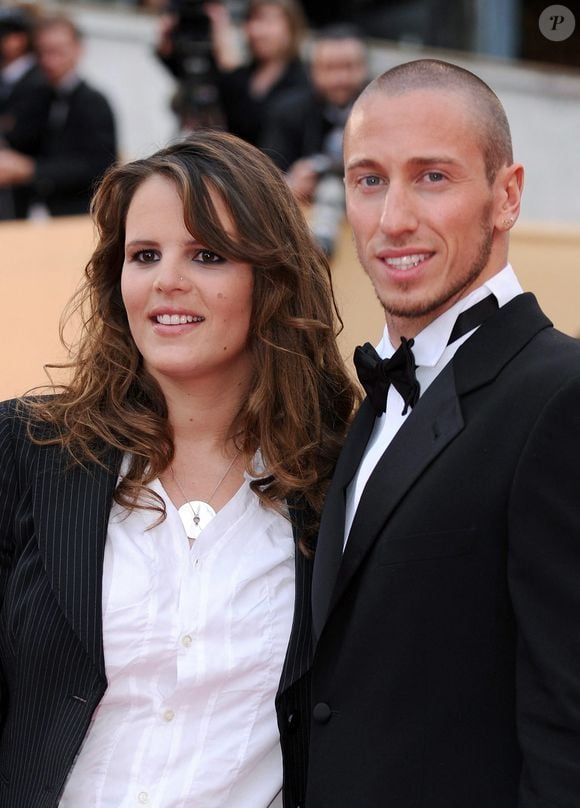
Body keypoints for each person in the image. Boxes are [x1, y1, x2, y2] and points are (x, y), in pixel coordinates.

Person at [0, 130, 358, 806]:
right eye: (144, 255)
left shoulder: (339, 476)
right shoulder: (28, 450)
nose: (167, 279)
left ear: (272, 278)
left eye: (206, 254)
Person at [277, 58, 580, 807]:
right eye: (368, 179)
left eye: (433, 177)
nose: (393, 219)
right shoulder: (370, 403)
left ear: (505, 196)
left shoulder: (562, 397)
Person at [261, 25, 368, 255]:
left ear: (365, 68)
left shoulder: (384, 112)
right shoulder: (287, 110)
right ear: (312, 71)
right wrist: (290, 185)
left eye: (349, 67)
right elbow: (265, 178)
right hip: (302, 238)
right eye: (330, 68)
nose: (340, 78)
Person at [0, 13, 117, 218]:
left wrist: (32, 170)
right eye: (42, 52)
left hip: (75, 214)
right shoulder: (37, 96)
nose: (48, 60)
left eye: (57, 51)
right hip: (34, 211)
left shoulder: (94, 102)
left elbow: (99, 166)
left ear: (78, 50)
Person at [156, 0, 310, 143]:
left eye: (269, 22)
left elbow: (257, 119)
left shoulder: (303, 82)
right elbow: (193, 76)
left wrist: (226, 55)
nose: (257, 31)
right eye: (252, 21)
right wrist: (168, 43)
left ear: (292, 28)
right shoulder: (243, 74)